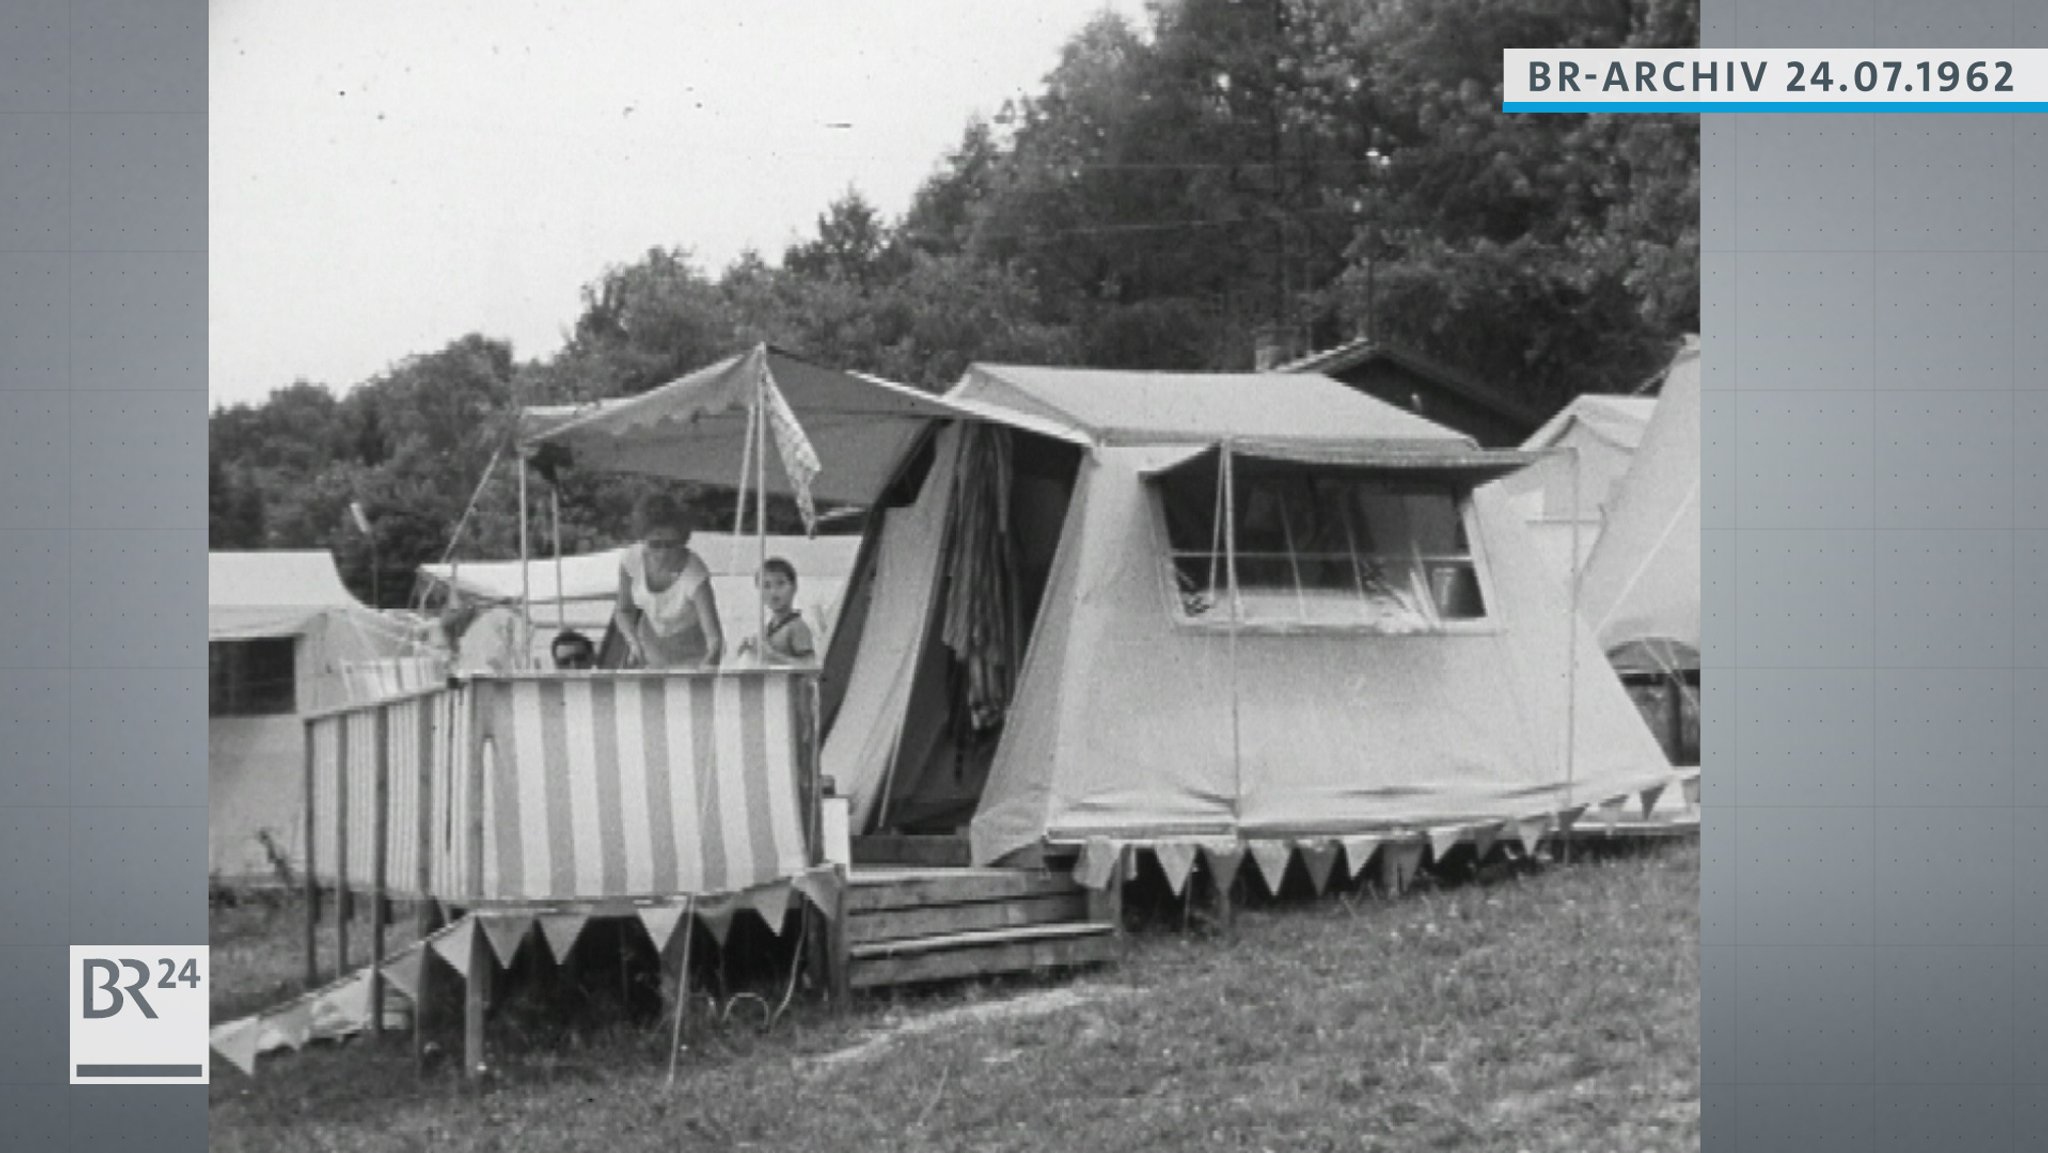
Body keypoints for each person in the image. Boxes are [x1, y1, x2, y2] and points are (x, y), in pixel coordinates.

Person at [614, 493, 723, 669]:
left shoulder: (695, 574)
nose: (663, 552)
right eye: (655, 545)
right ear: (643, 539)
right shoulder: (631, 560)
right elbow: (623, 610)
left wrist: (710, 662)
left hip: (692, 655)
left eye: (671, 544)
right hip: (649, 650)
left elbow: (714, 638)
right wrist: (633, 642)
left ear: (682, 540)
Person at [738, 557, 817, 666]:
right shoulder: (768, 628)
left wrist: (772, 655)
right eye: (766, 586)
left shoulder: (797, 627)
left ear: (794, 587)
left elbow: (809, 665)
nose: (774, 592)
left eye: (781, 584)